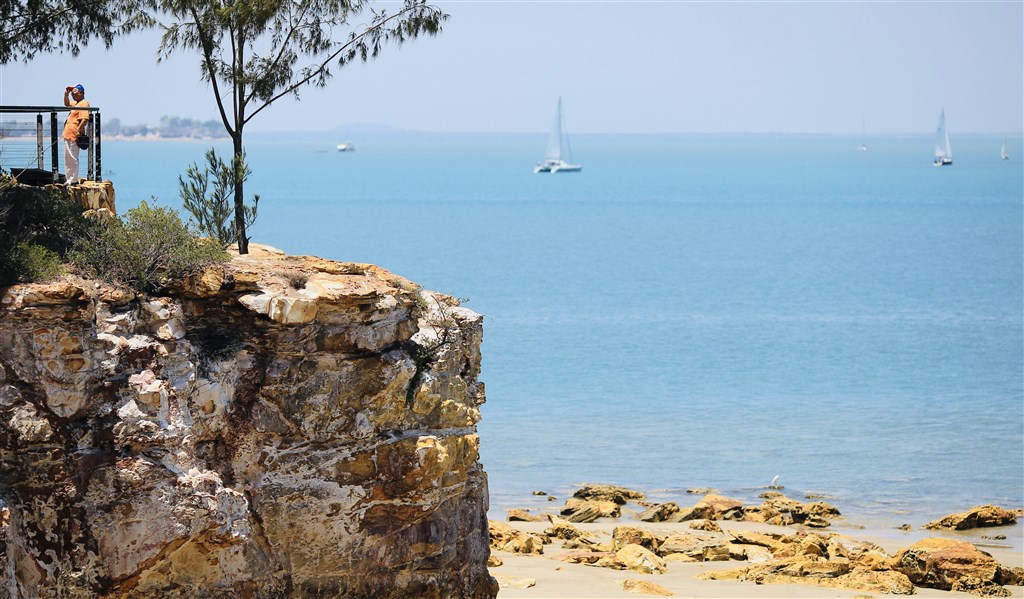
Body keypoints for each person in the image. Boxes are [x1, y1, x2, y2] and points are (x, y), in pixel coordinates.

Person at [62, 83, 90, 184]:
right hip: (67, 134)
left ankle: (73, 179)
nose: (73, 95)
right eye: (72, 94)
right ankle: (68, 178)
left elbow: (85, 119)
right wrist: (66, 94)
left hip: (74, 135)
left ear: (81, 93)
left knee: (73, 157)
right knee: (67, 158)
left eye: (74, 93)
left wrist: (78, 130)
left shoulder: (84, 103)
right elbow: (67, 103)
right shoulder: (76, 104)